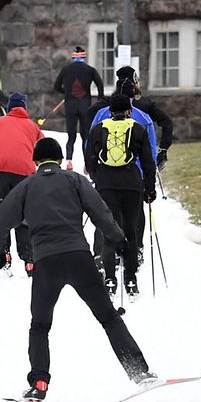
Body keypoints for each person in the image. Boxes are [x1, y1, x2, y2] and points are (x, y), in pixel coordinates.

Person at [0, 137, 156, 401]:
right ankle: (139, 371)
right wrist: (119, 239)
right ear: (58, 159)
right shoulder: (75, 180)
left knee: (40, 325)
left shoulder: (26, 187)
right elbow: (100, 212)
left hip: (46, 263)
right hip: (79, 258)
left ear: (35, 162)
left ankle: (40, 382)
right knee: (108, 317)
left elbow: (1, 221)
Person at [85, 89, 157, 298]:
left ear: (109, 111)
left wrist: (99, 178)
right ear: (128, 110)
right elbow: (147, 162)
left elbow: (89, 159)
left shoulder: (98, 129)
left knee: (110, 232)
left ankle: (109, 279)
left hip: (107, 185)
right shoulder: (137, 128)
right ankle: (131, 279)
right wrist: (149, 188)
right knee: (130, 233)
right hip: (132, 184)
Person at [0, 92, 42, 273]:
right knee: (24, 217)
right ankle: (29, 259)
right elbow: (45, 149)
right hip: (25, 175)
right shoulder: (32, 126)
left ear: (9, 108)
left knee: (1, 214)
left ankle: (2, 253)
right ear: (24, 107)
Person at [51, 45, 104, 165]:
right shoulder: (90, 70)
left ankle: (69, 160)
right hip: (86, 105)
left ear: (73, 57)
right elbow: (100, 85)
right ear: (84, 57)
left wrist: (67, 92)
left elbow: (56, 87)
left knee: (71, 136)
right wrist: (100, 101)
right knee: (85, 135)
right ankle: (87, 163)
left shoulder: (66, 69)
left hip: (70, 105)